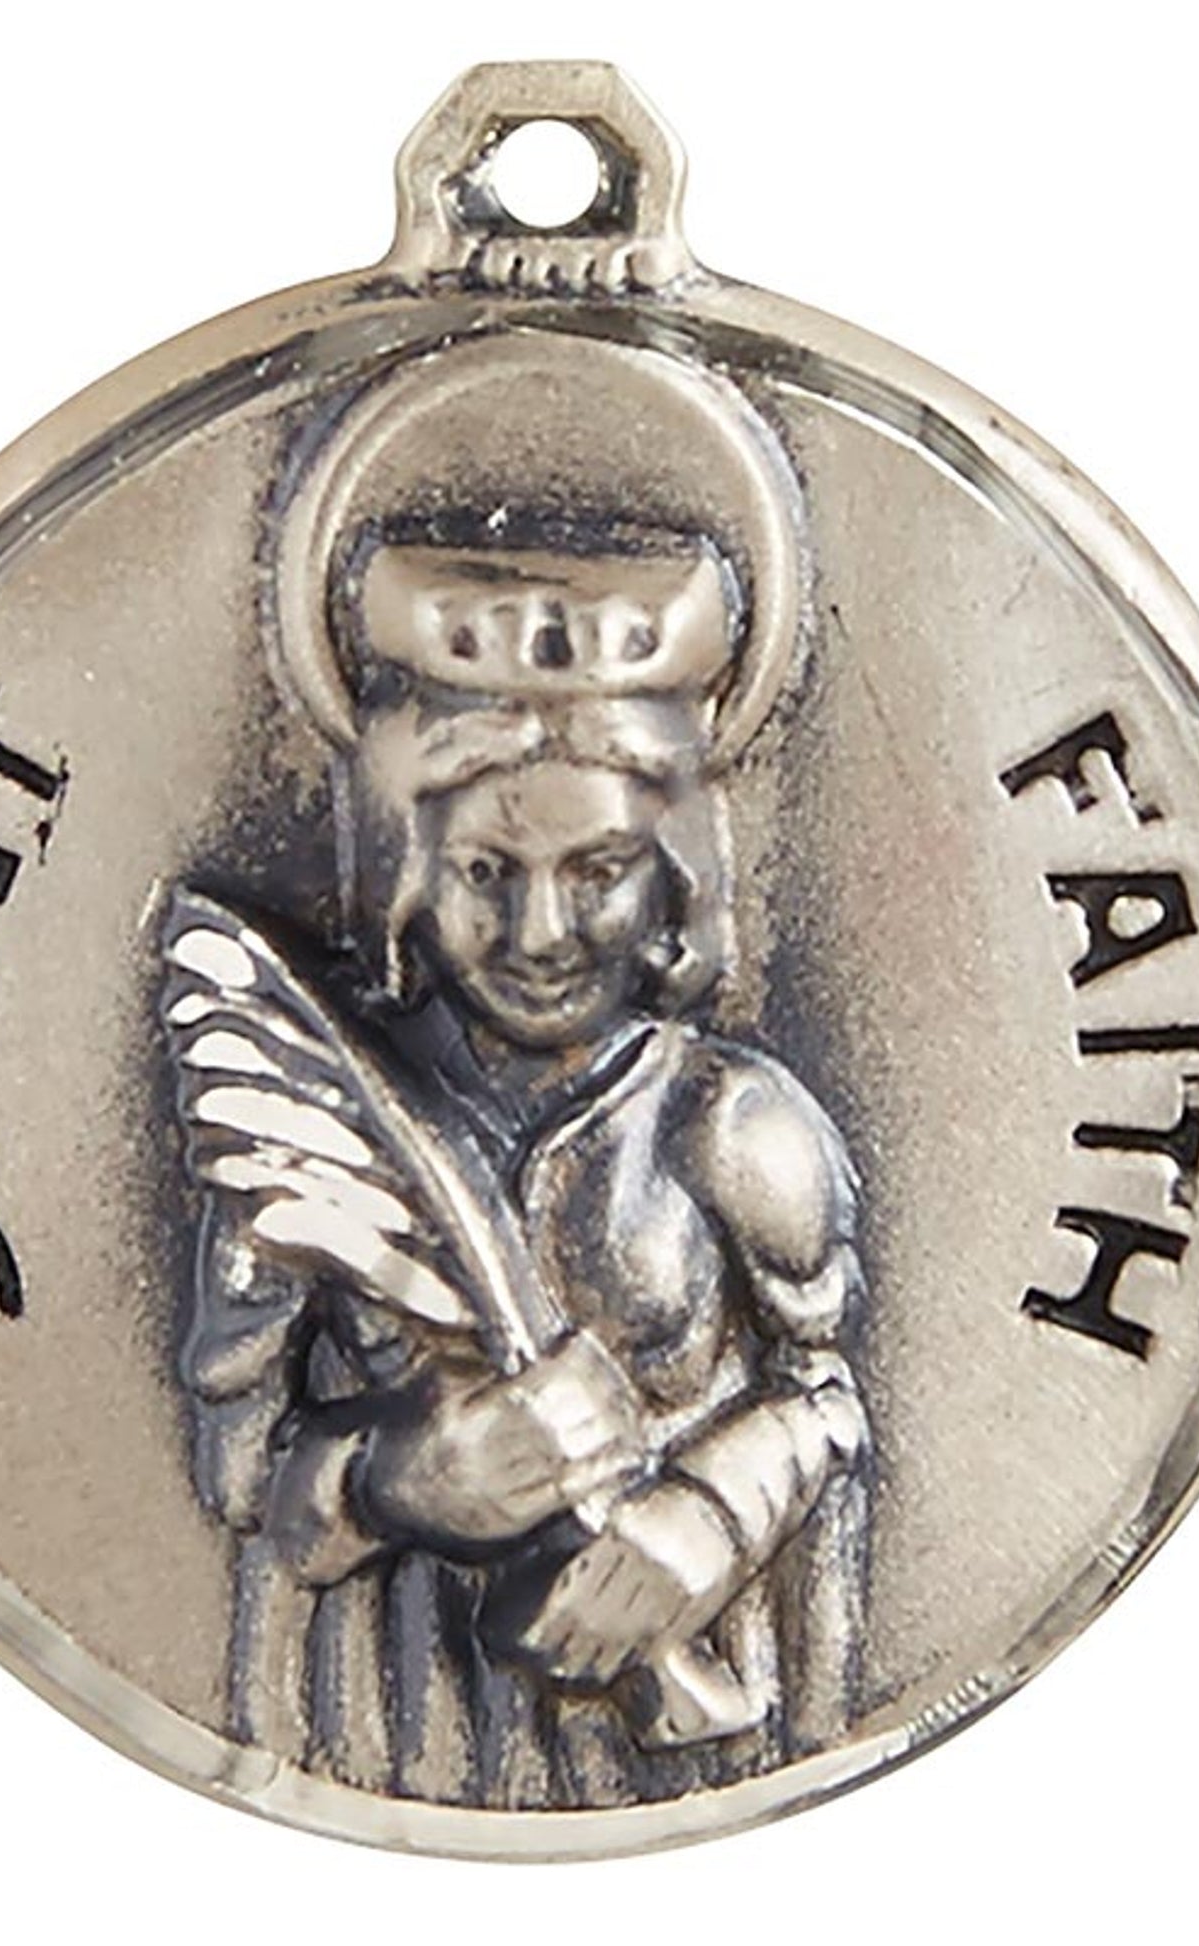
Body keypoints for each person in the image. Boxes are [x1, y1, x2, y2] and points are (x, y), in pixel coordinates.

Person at [164, 332, 871, 1808]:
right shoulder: (305, 1133)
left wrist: (711, 1512)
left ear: (673, 876)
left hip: (706, 1739)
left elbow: (829, 1397)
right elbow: (237, 1474)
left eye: (597, 870)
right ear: (407, 871)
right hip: (387, 1737)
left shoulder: (734, 1131)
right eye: (489, 870)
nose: (542, 934)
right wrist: (396, 1480)